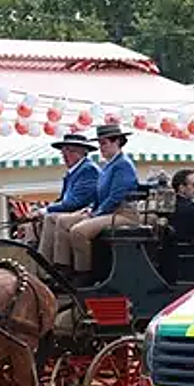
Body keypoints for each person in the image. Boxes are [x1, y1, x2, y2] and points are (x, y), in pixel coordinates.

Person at [54, 123, 141, 286]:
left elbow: (116, 197)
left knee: (79, 231)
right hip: (107, 211)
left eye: (104, 143)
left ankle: (84, 273)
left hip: (123, 214)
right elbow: (100, 195)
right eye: (100, 144)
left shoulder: (123, 165)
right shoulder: (108, 165)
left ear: (117, 142)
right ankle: (63, 268)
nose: (101, 148)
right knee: (63, 221)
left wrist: (95, 214)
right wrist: (91, 209)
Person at [36, 133, 100, 270]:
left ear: (83, 152)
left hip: (85, 211)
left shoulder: (88, 170)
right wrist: (44, 208)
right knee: (32, 225)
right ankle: (36, 260)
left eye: (70, 151)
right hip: (76, 210)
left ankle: (51, 266)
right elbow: (63, 198)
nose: (65, 155)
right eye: (63, 151)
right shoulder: (72, 172)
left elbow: (75, 202)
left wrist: (46, 210)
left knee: (52, 218)